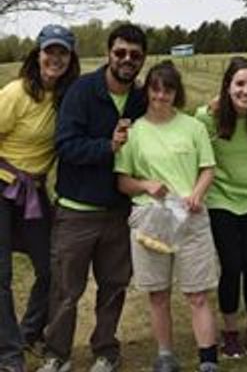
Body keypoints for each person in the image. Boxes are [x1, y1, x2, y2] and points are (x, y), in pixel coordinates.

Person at [36, 23, 147, 372]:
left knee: (113, 288)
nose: (127, 60)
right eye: (120, 52)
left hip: (119, 212)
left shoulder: (141, 98)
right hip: (76, 211)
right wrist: (107, 147)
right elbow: (65, 145)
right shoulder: (82, 91)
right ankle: (57, 354)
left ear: (142, 60)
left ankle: (105, 352)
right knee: (66, 291)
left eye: (135, 55)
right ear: (108, 53)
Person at [115, 61, 219, 372]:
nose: (161, 96)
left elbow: (208, 168)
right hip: (151, 221)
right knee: (158, 294)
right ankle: (165, 356)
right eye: (155, 89)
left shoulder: (194, 127)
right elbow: (122, 181)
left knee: (197, 294)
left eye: (168, 90)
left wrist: (198, 193)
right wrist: (145, 184)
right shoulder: (133, 133)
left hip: (191, 218)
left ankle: (208, 360)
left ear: (177, 92)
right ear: (147, 91)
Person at [0, 24, 79, 372]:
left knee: (50, 269)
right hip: (2, 188)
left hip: (34, 192)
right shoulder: (16, 93)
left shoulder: (68, 96)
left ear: (70, 58)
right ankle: (8, 353)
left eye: (62, 52)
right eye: (50, 51)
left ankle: (28, 332)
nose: (55, 58)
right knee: (0, 276)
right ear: (38, 54)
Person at [195, 57, 247, 358]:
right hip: (221, 200)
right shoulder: (206, 118)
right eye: (239, 83)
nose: (246, 90)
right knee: (232, 266)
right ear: (227, 86)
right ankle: (230, 332)